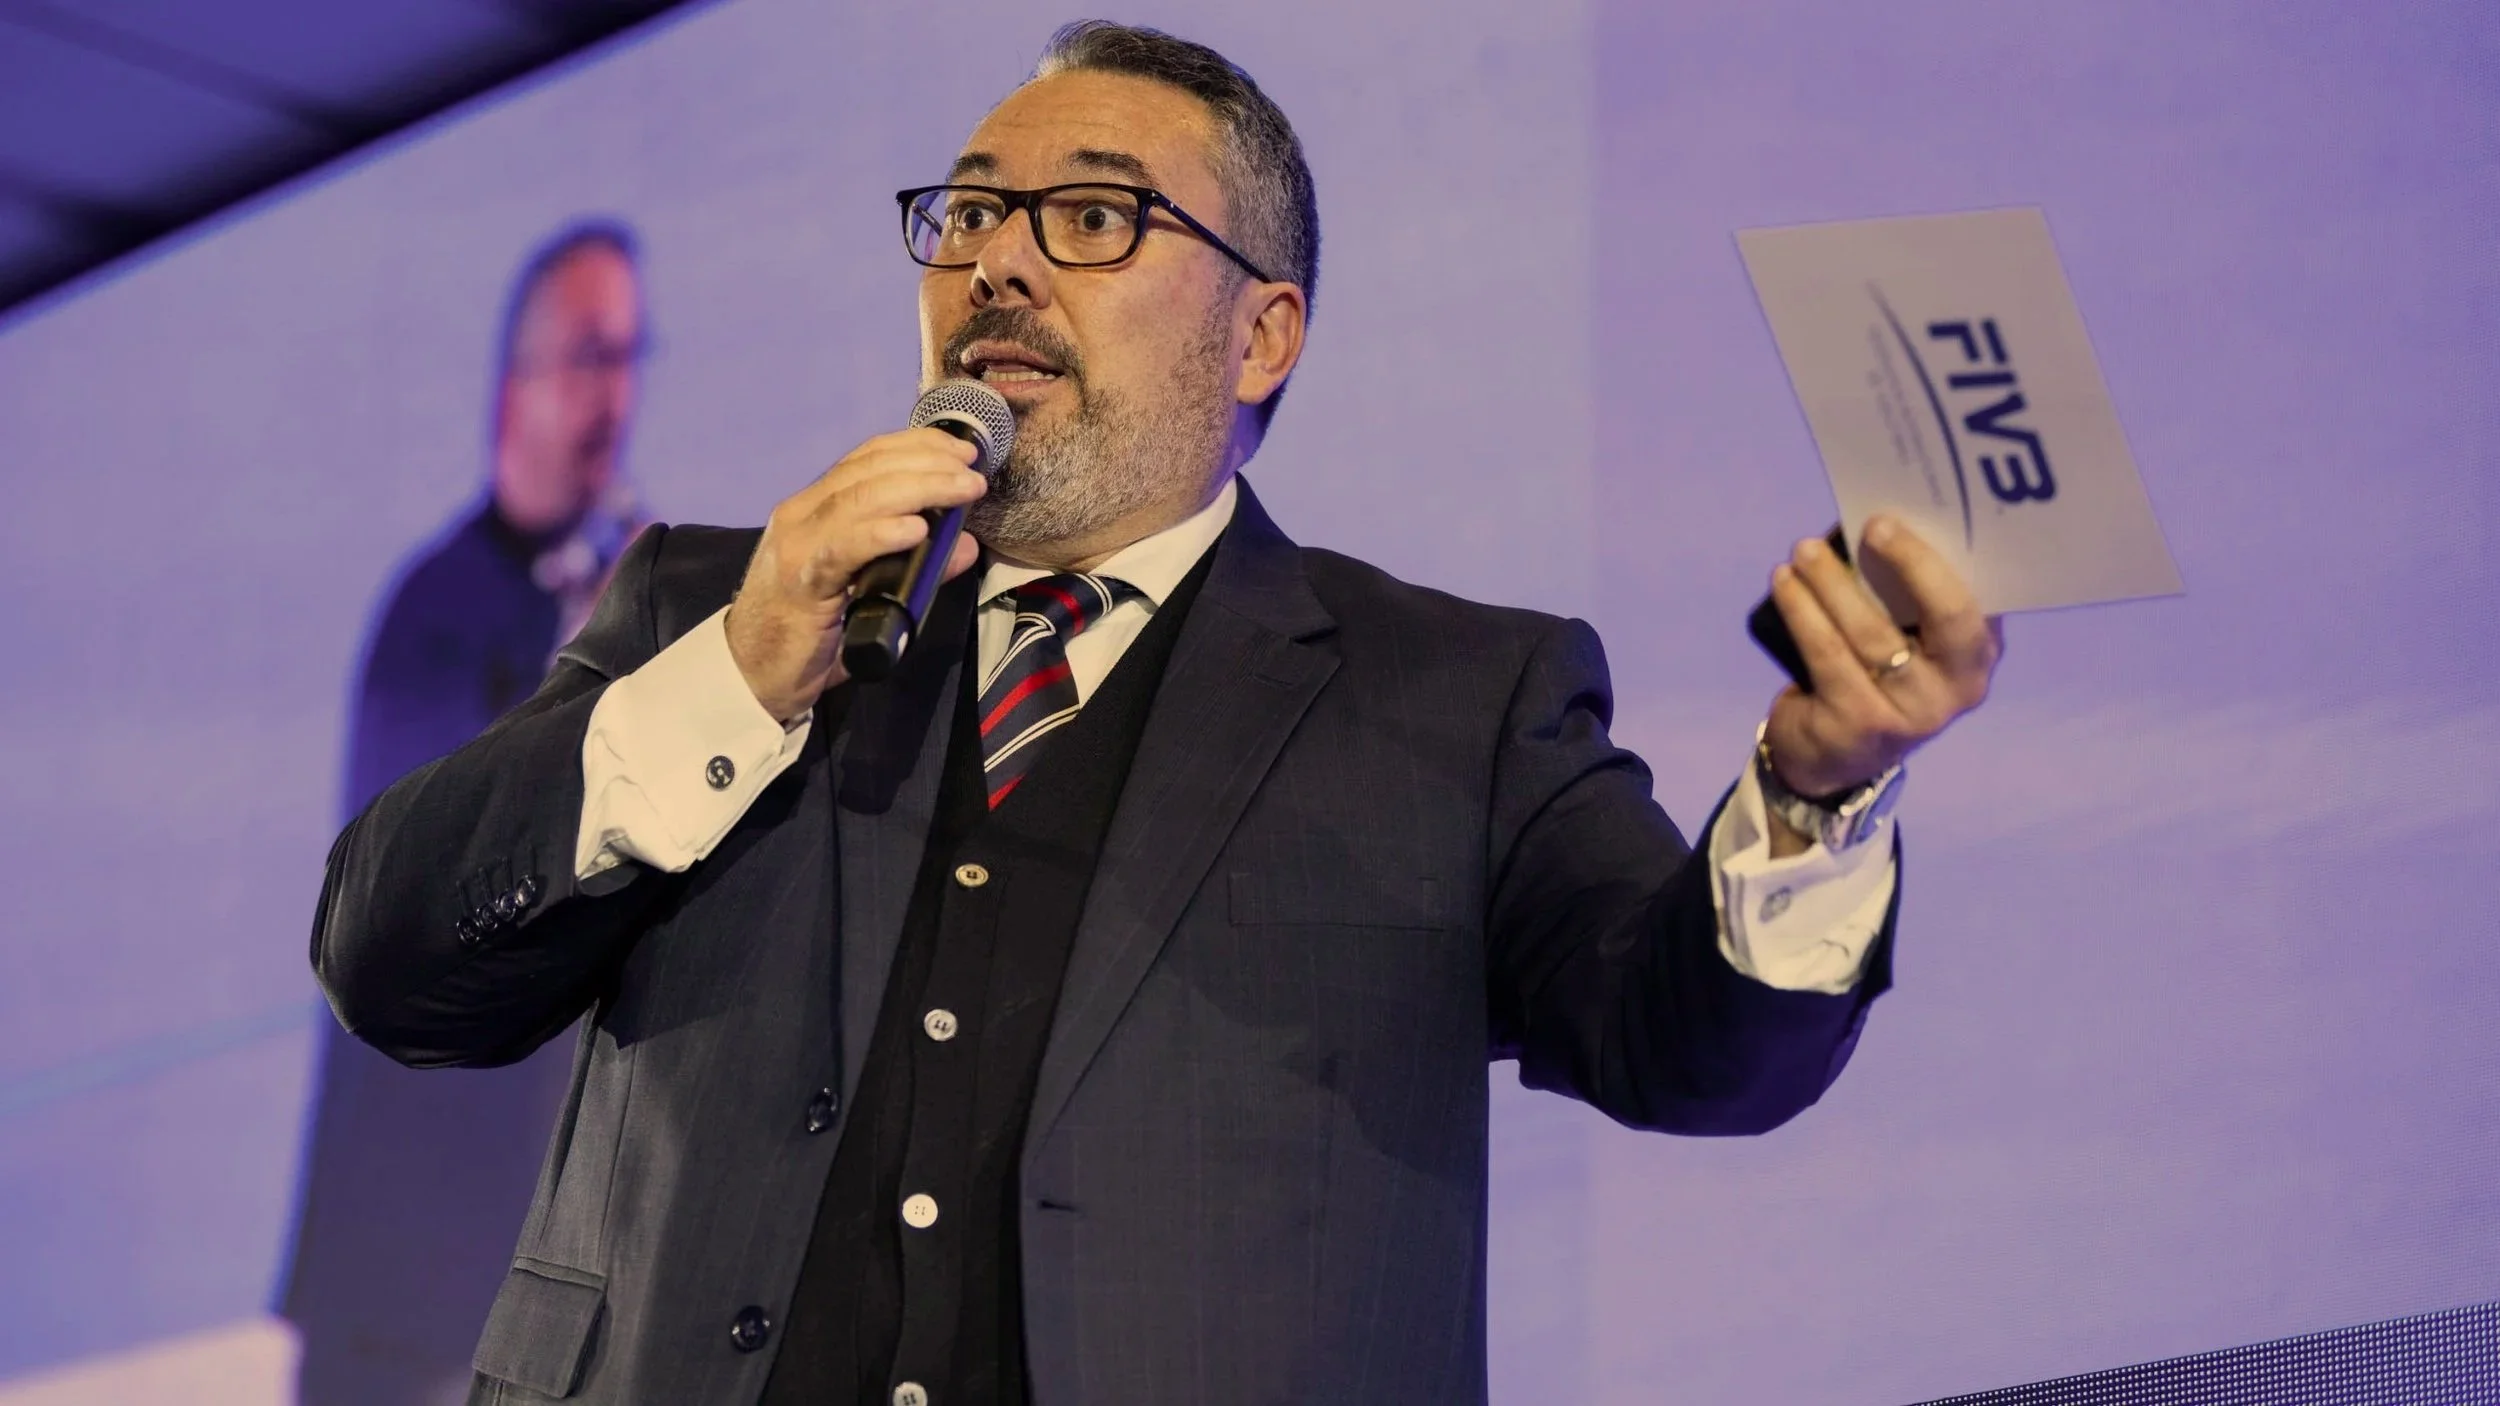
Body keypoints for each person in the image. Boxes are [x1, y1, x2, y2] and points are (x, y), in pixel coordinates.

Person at [311, 23, 2002, 1406]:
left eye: (1096, 219)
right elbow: (396, 964)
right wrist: (740, 675)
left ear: (1263, 331)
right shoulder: (711, 606)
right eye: (968, 214)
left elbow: (1688, 1046)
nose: (998, 267)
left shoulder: (1454, 696)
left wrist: (1813, 797)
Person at [284, 220, 650, 1406]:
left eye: (631, 354)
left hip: (544, 1263)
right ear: (519, 381)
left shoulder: (613, 595)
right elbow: (424, 883)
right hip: (406, 1276)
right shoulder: (433, 611)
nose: (617, 393)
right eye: (589, 355)